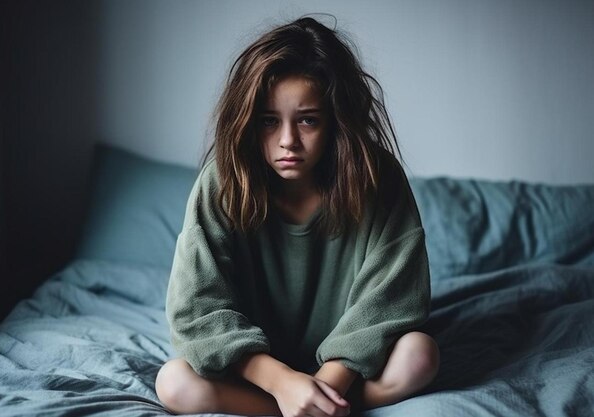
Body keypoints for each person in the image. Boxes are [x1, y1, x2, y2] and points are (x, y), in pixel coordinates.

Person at [155, 16, 439, 417]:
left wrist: (324, 386)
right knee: (174, 382)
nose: (288, 140)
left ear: (336, 122)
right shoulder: (222, 181)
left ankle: (314, 406)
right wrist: (283, 384)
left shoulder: (379, 178)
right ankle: (306, 407)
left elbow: (393, 300)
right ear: (249, 121)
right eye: (269, 121)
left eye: (307, 120)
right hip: (256, 372)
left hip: (350, 372)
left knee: (419, 355)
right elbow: (196, 309)